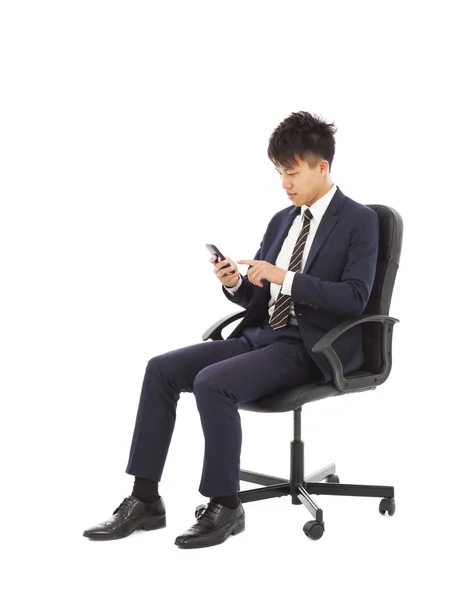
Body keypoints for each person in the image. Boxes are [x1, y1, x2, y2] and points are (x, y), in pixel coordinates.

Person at [83, 111, 379, 549]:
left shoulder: (360, 220)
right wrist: (238, 284)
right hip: (263, 336)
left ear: (322, 167)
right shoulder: (283, 220)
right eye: (280, 173)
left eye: (292, 173)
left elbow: (355, 297)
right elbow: (260, 300)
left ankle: (225, 505)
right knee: (160, 370)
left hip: (312, 347)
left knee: (212, 383)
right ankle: (144, 499)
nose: (285, 184)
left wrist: (286, 277)